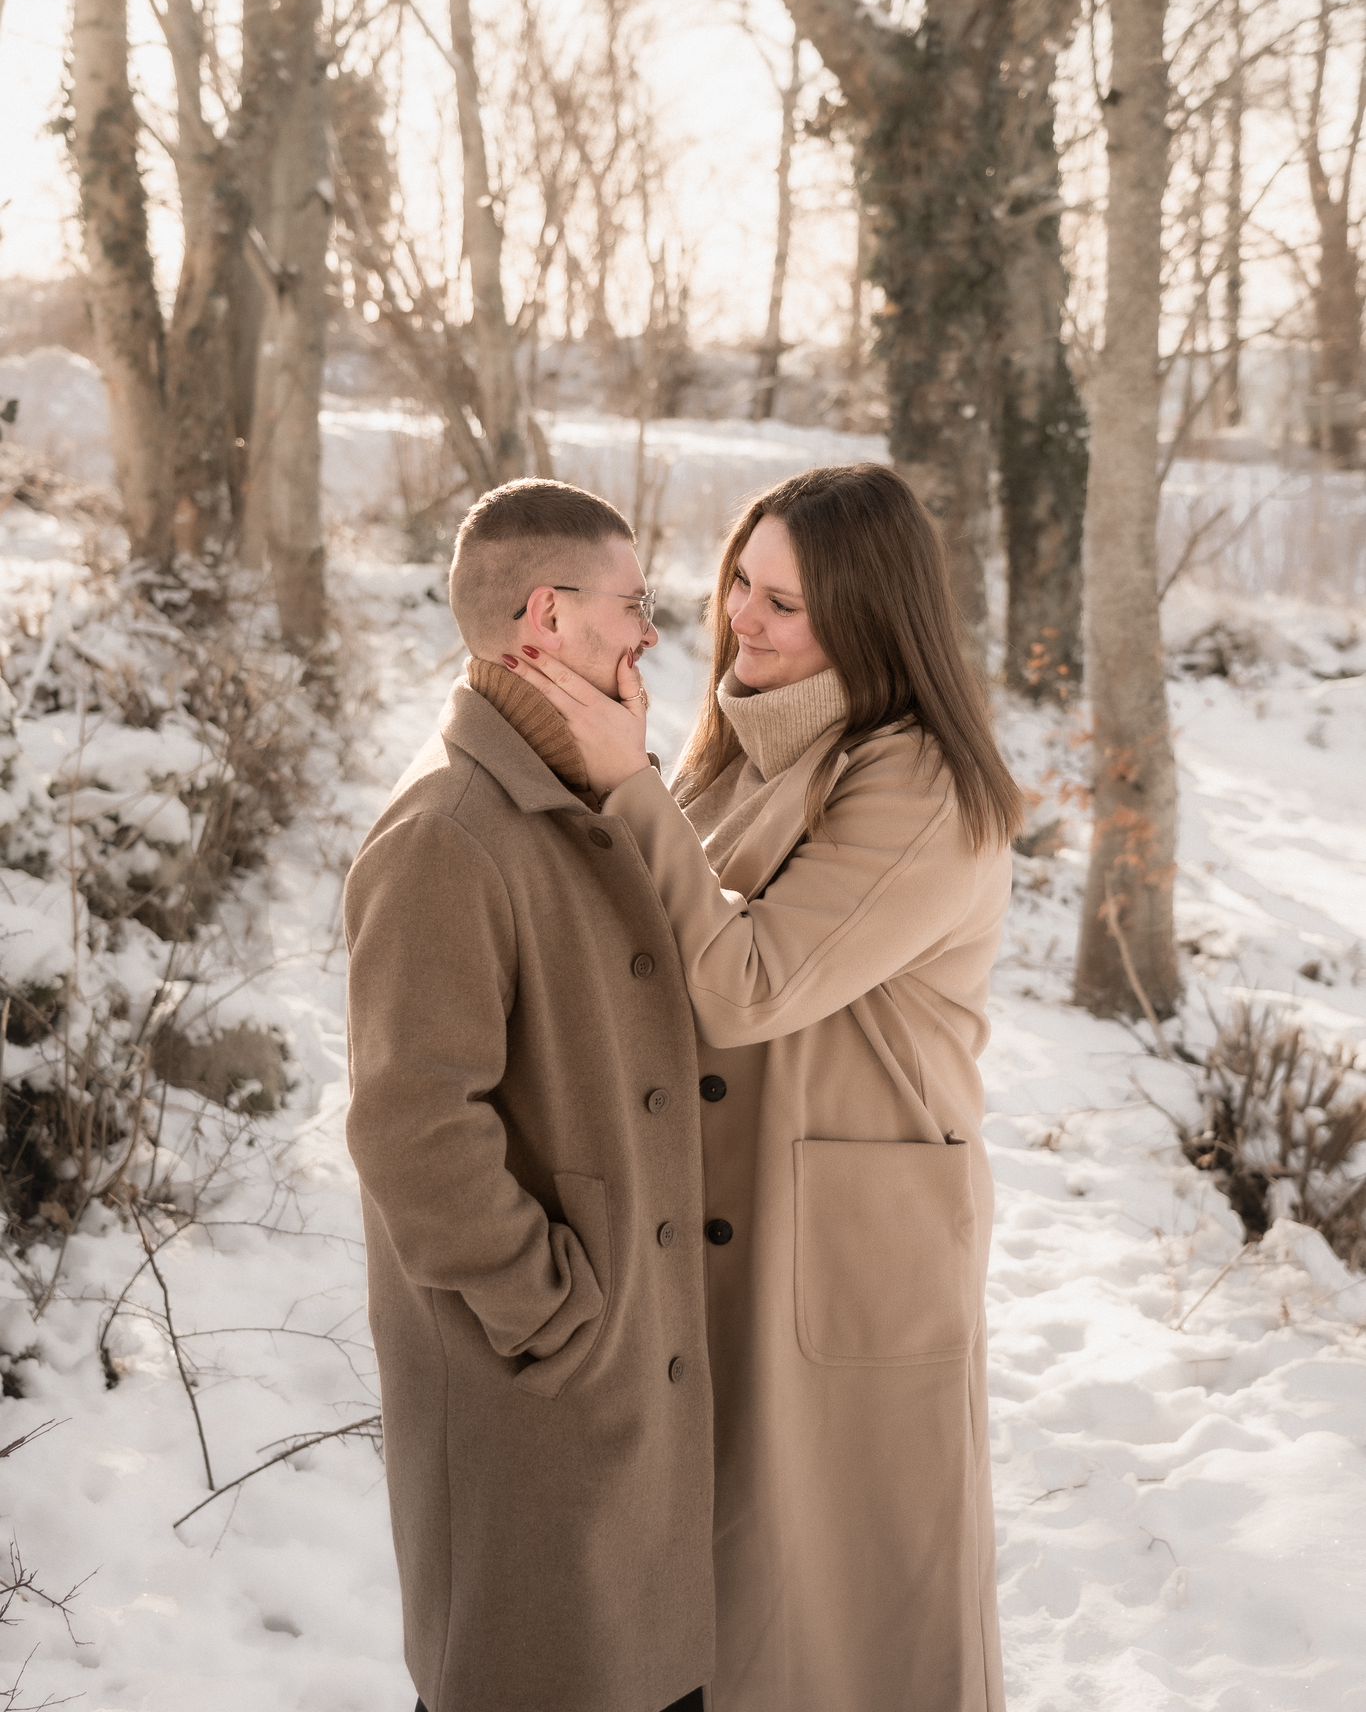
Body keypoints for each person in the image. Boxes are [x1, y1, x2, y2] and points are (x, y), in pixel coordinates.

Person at [511, 462, 1023, 1712]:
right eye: (741, 578)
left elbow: (743, 985)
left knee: (844, 1611)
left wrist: (625, 779)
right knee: (725, 1598)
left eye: (783, 602)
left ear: (869, 618)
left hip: (844, 1253)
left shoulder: (921, 787)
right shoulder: (739, 747)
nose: (741, 614)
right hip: (721, 1224)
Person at [344, 478, 713, 1712]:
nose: (651, 632)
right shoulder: (446, 831)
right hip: (537, 1388)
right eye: (633, 603)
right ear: (547, 617)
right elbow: (411, 1124)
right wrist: (551, 1308)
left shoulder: (568, 795)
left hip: (613, 1390)